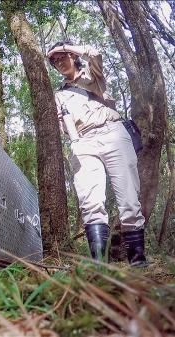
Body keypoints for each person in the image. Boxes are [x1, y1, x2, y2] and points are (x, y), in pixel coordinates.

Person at [47, 41, 147, 266]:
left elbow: (95, 54)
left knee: (129, 200)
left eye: (62, 57)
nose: (59, 62)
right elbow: (66, 125)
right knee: (90, 202)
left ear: (72, 56)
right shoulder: (60, 94)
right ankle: (99, 266)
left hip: (113, 133)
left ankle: (138, 262)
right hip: (84, 142)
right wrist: (74, 143)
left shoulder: (92, 74)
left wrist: (68, 46)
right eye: (54, 61)